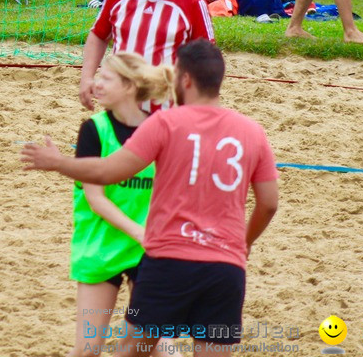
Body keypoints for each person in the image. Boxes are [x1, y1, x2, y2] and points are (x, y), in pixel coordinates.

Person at [22, 40, 279, 353]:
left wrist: (59, 162)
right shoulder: (253, 131)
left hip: (167, 259)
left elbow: (109, 172)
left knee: (134, 349)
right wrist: (244, 244)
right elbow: (268, 203)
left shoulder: (165, 123)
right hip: (224, 266)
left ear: (184, 80)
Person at [68, 52, 174, 357]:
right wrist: (139, 231)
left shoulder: (160, 128)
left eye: (105, 78)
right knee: (88, 350)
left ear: (129, 87)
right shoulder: (94, 130)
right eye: (97, 76)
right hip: (101, 247)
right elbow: (95, 199)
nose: (95, 84)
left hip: (148, 253)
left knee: (154, 346)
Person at [79, 0, 214, 110]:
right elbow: (98, 35)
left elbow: (208, 58)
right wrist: (87, 77)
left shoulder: (193, 3)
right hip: (121, 107)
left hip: (168, 111)